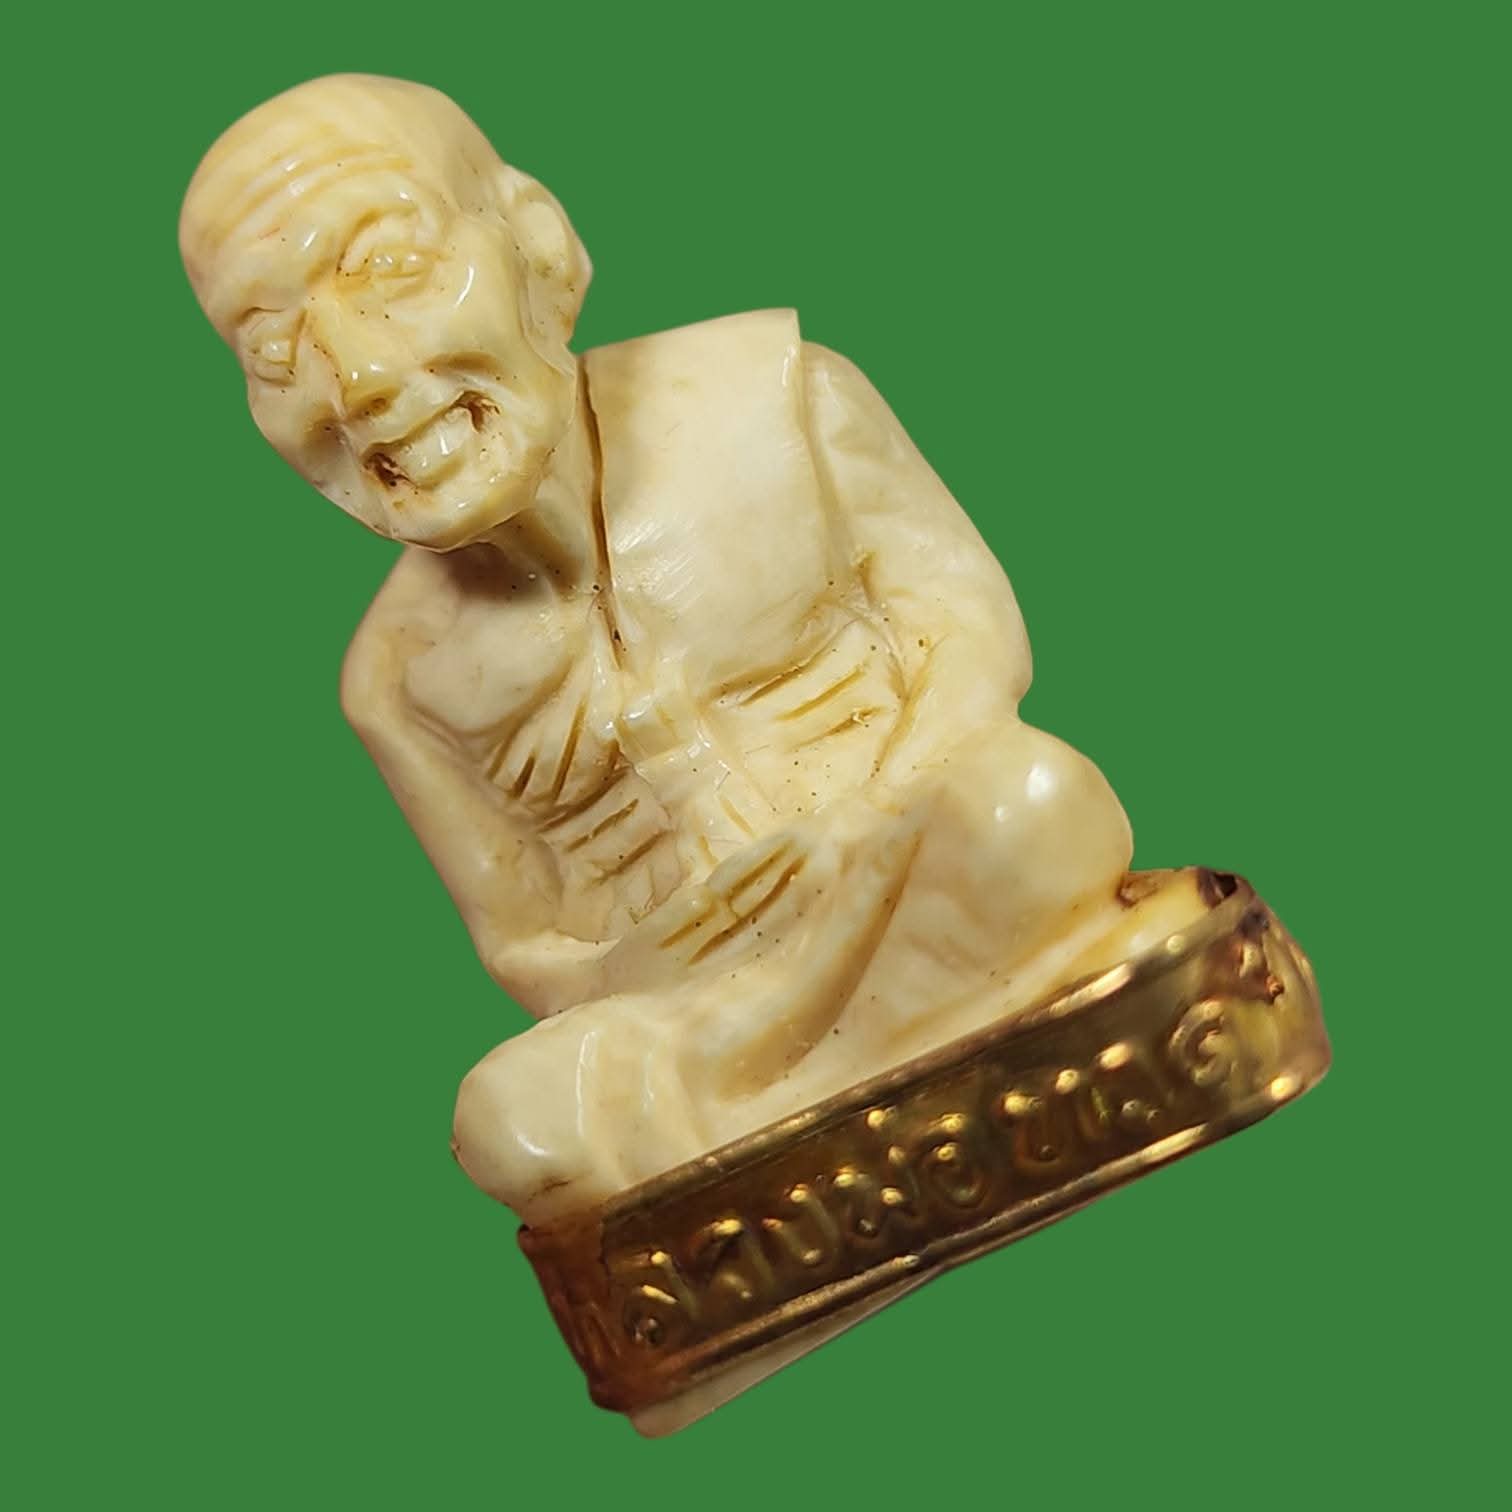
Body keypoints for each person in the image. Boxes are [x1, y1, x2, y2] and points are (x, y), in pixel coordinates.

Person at [181, 74, 1151, 1224]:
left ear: (540, 248)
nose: (361, 380)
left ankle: (797, 1134)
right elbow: (522, 941)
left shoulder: (783, 400)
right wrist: (640, 965)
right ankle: (931, 1069)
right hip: (698, 998)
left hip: (903, 856)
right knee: (512, 1122)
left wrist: (871, 813)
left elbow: (970, 634)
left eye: (392, 268)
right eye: (275, 351)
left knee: (1034, 806)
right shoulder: (399, 680)